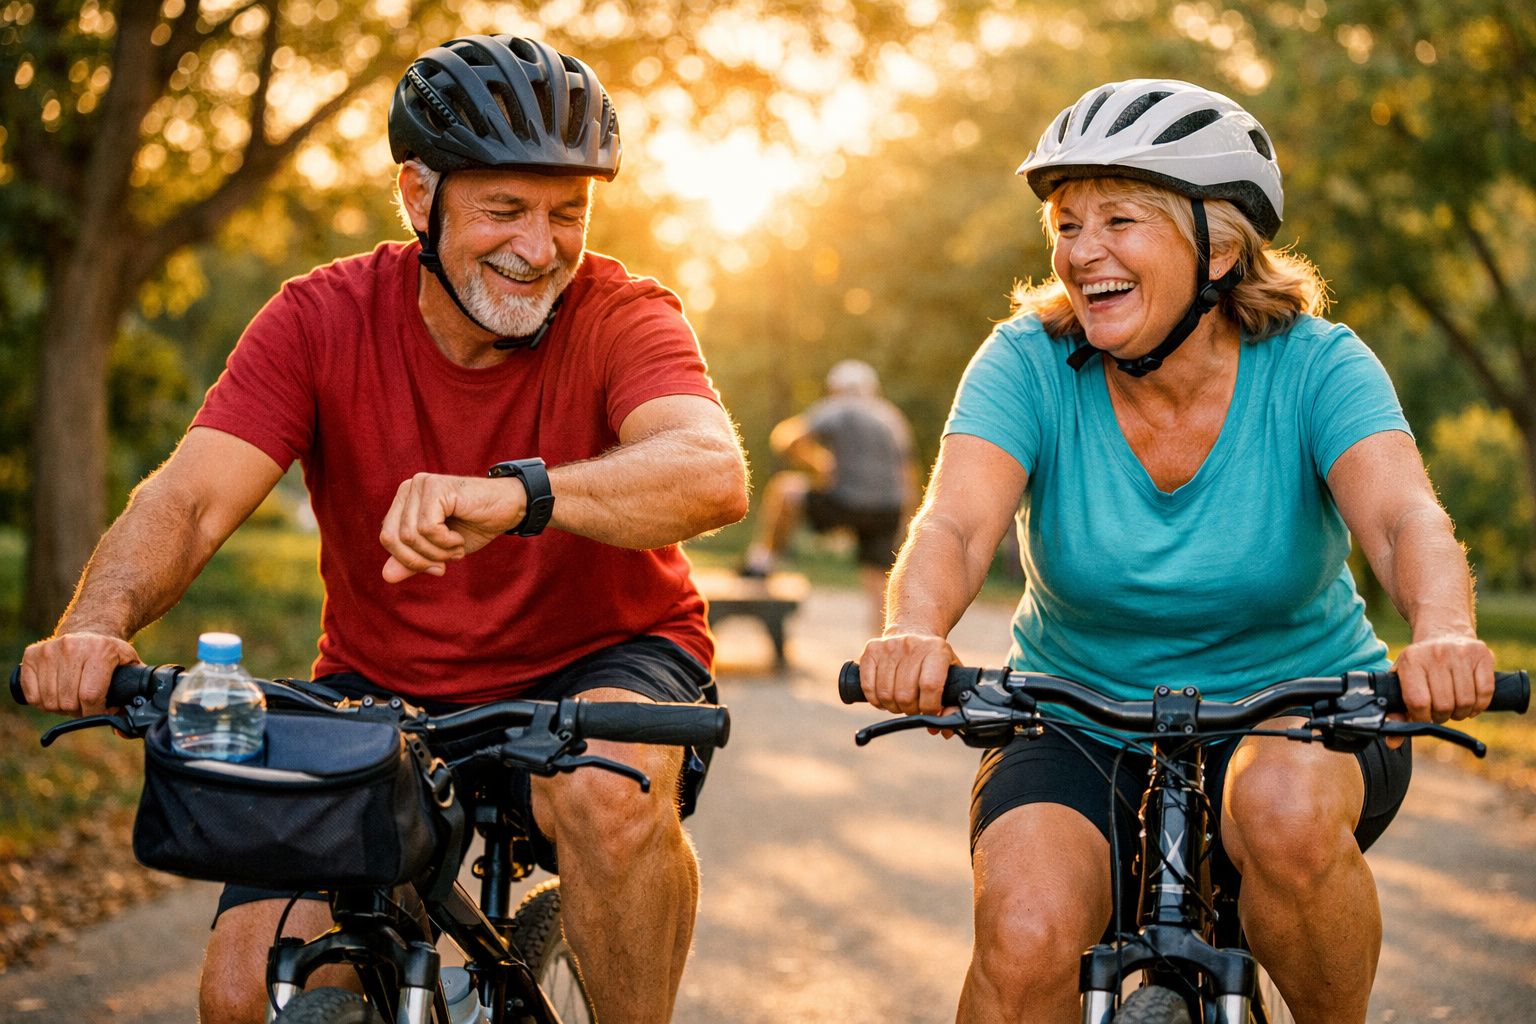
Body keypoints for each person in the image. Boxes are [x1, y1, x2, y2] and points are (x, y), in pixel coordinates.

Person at [17, 34, 748, 1024]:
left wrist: (515, 493)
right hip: (383, 685)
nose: (540, 247)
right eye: (504, 210)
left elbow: (710, 473)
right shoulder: (318, 319)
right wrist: (96, 623)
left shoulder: (624, 313)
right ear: (419, 197)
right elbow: (188, 497)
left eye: (566, 212)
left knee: (608, 797)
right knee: (244, 989)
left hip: (603, 657)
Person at [854, 79, 1495, 1024]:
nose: (1083, 252)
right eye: (1067, 225)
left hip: (1305, 713)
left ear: (1220, 247)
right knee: (1027, 935)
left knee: (1278, 808)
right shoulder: (1027, 359)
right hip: (1078, 718)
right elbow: (953, 524)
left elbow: (1405, 521)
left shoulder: (1317, 363)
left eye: (1120, 218)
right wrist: (913, 627)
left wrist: (1442, 634)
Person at [741, 358, 918, 633]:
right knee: (879, 588)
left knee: (785, 489)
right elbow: (908, 473)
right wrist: (907, 520)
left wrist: (819, 464)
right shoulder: (892, 417)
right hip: (887, 508)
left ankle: (763, 562)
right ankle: (884, 646)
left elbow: (787, 439)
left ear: (835, 388)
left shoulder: (838, 406)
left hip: (845, 501)